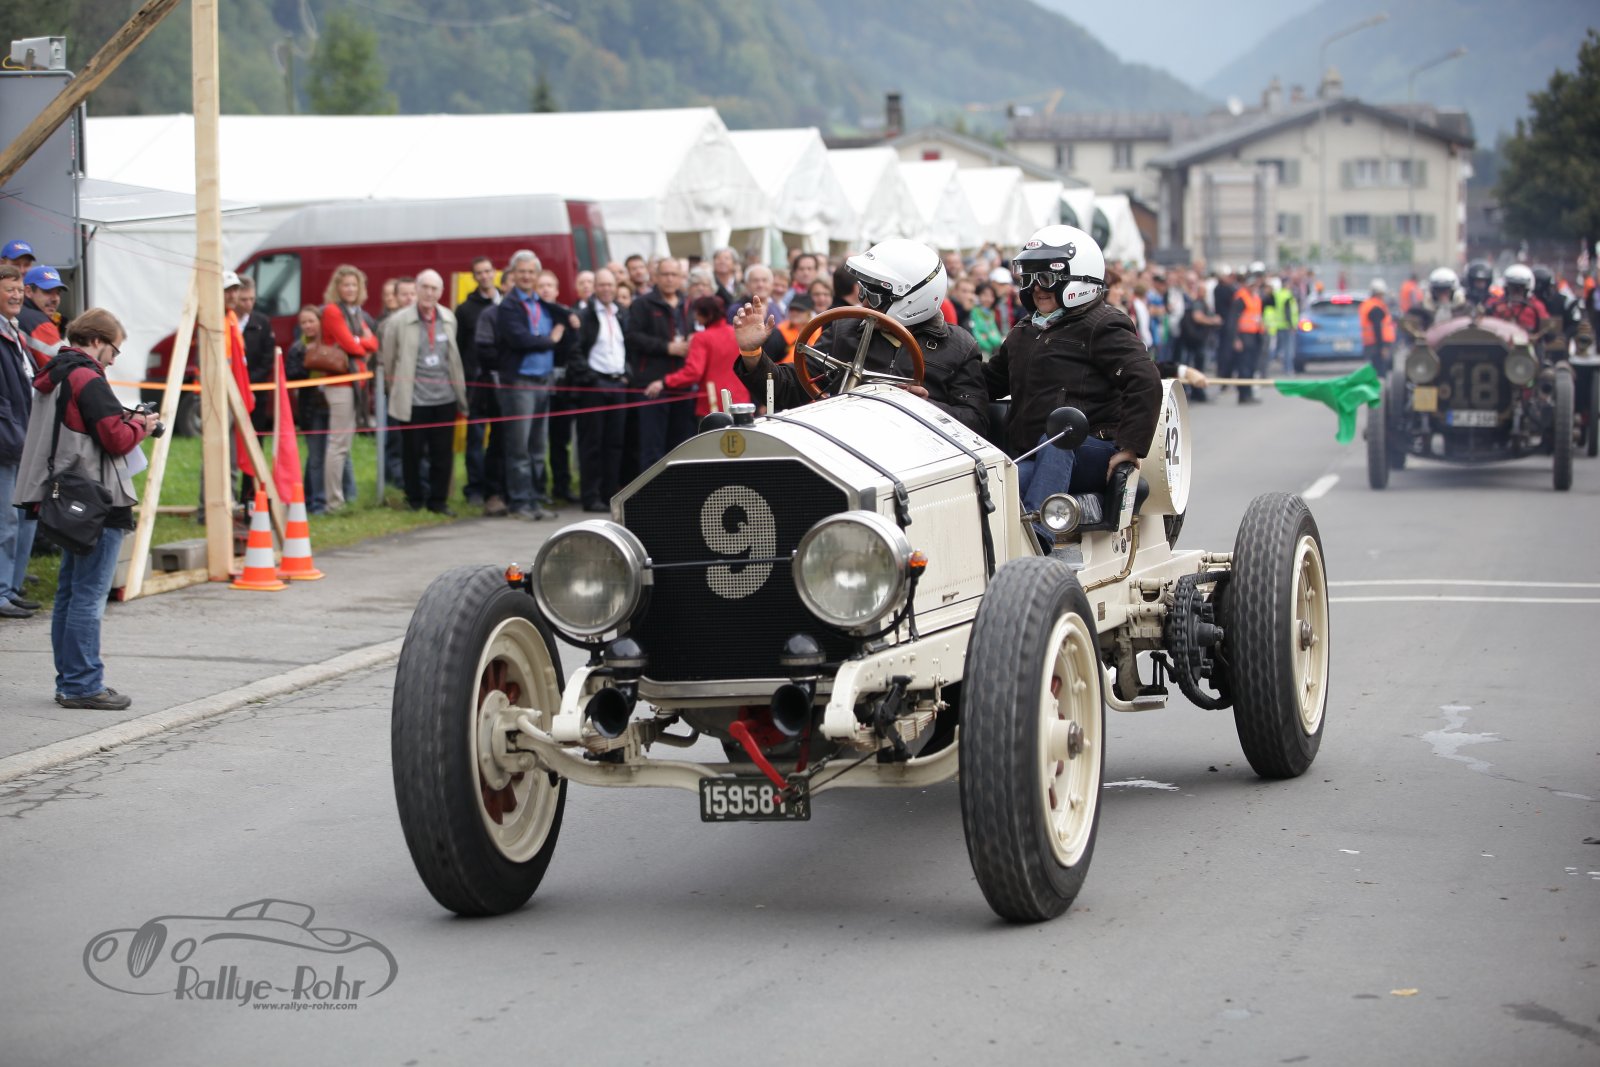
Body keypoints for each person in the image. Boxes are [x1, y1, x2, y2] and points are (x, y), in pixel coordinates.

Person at [13, 308, 154, 708]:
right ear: (96, 341)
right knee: (89, 596)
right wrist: (141, 426)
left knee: (70, 592)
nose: (114, 359)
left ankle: (70, 680)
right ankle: (82, 684)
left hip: (66, 495)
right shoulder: (87, 377)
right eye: (114, 350)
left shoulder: (56, 372)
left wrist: (125, 419)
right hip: (97, 497)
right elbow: (114, 439)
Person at [982, 225, 1161, 530]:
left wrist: (1130, 448)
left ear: (1078, 279)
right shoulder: (1024, 331)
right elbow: (987, 382)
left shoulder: (1102, 325)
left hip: (1089, 450)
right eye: (1030, 278)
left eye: (1046, 278)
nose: (1036, 288)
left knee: (1058, 438)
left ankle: (1041, 536)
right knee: (992, 489)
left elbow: (1145, 380)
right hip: (1030, 456)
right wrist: (939, 378)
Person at [733, 238, 989, 435]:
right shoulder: (843, 331)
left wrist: (926, 407)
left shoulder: (959, 347)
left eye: (873, 297)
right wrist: (752, 354)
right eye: (862, 292)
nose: (863, 303)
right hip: (847, 452)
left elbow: (976, 422)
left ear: (912, 300)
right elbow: (790, 388)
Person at [380, 269, 468, 514]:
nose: (429, 293)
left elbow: (453, 356)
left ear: (441, 291)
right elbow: (389, 359)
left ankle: (438, 501)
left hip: (445, 398)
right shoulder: (398, 321)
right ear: (417, 290)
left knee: (442, 453)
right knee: (412, 452)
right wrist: (395, 389)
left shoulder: (448, 318)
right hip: (413, 399)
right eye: (425, 287)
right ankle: (415, 499)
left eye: (434, 288)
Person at [496, 250, 564, 520]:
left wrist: (564, 325)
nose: (526, 276)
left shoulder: (542, 303)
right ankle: (519, 502)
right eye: (521, 271)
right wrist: (550, 340)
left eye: (531, 272)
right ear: (513, 274)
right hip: (520, 384)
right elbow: (520, 339)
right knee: (519, 448)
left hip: (543, 381)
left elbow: (566, 322)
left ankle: (536, 500)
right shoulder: (509, 306)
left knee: (538, 447)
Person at [626, 257, 695, 468]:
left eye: (674, 274)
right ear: (655, 277)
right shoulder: (642, 304)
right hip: (652, 382)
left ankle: (679, 487)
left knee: (682, 445)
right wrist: (666, 347)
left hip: (682, 382)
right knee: (652, 446)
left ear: (681, 278)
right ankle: (652, 489)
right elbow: (633, 337)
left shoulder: (688, 304)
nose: (669, 279)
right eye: (665, 274)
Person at [321, 264, 379, 513]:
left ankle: (340, 497)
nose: (351, 289)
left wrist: (359, 341)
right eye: (346, 285)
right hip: (341, 384)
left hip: (355, 384)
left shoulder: (356, 313)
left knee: (344, 445)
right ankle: (333, 502)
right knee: (337, 445)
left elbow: (374, 342)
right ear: (337, 287)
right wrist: (360, 342)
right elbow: (352, 346)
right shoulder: (333, 311)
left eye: (354, 285)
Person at [285, 305, 354, 514]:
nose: (308, 326)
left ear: (320, 322)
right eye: (303, 322)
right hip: (312, 407)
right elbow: (291, 374)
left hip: (334, 404)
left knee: (341, 453)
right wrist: (310, 361)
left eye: (311, 321)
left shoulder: (333, 343)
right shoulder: (297, 348)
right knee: (316, 456)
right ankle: (317, 501)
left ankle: (349, 495)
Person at [573, 268, 628, 512]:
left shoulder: (622, 313)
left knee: (615, 443)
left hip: (618, 384)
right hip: (595, 385)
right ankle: (590, 495)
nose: (606, 289)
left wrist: (627, 375)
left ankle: (609, 494)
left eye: (610, 285)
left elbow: (628, 346)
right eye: (602, 285)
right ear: (595, 287)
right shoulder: (584, 316)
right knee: (592, 443)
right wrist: (590, 378)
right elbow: (575, 351)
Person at [1, 265, 37, 618]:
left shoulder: (15, 331)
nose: (16, 295)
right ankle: (1, 592)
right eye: (9, 289)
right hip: (7, 440)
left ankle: (11, 587)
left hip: (22, 438)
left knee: (24, 517)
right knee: (6, 520)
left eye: (19, 289)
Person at [645, 295, 750, 418]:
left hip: (714, 402)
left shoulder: (701, 338)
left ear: (707, 315)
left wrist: (665, 382)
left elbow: (693, 372)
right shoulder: (736, 332)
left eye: (697, 313)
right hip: (741, 401)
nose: (695, 317)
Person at [455, 256, 500, 507]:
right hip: (476, 383)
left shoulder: (505, 302)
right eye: (479, 272)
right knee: (475, 437)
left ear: (494, 272)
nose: (484, 276)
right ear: (474, 277)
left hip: (501, 380)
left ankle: (496, 487)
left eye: (487, 271)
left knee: (499, 438)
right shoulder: (465, 309)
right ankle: (475, 487)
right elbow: (460, 348)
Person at [236, 276, 277, 434]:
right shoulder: (225, 321)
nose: (248, 303)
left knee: (256, 432)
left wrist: (249, 381)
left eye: (252, 299)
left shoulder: (262, 322)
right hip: (232, 386)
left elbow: (268, 358)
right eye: (243, 299)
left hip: (256, 387)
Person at [1225, 269, 1266, 403]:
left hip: (1255, 335)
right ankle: (1243, 395)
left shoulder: (1256, 298)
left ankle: (1249, 393)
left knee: (1252, 366)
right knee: (1244, 366)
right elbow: (1233, 321)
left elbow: (1257, 316)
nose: (1254, 287)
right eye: (1251, 285)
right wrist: (1236, 339)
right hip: (1244, 336)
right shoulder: (1241, 299)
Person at [18, 265, 66, 367]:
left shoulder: (16, 313)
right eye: (47, 292)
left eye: (58, 293)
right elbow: (63, 368)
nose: (55, 299)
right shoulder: (39, 323)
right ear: (28, 291)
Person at [1485, 263, 1549, 334]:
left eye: (1520, 288)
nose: (1515, 292)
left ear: (1527, 289)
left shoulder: (1536, 307)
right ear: (1506, 287)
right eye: (1512, 287)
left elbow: (1546, 329)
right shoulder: (1494, 303)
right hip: (1498, 338)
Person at [1406, 267, 1465, 332]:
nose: (1443, 295)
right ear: (1432, 292)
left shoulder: (1465, 310)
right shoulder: (1418, 312)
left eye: (1447, 291)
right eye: (1439, 291)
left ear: (1454, 291)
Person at [1264, 277, 1299, 376]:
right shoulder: (1287, 295)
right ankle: (1288, 369)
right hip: (1286, 326)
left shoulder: (1277, 294)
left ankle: (1266, 365)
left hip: (1277, 325)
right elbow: (1288, 311)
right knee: (1288, 349)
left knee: (1277, 348)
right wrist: (1291, 325)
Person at [968, 281, 1004, 358]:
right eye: (985, 295)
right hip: (979, 353)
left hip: (992, 352)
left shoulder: (992, 313)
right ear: (977, 295)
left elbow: (996, 337)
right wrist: (989, 338)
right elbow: (977, 334)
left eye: (991, 296)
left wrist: (988, 336)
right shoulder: (974, 312)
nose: (988, 299)